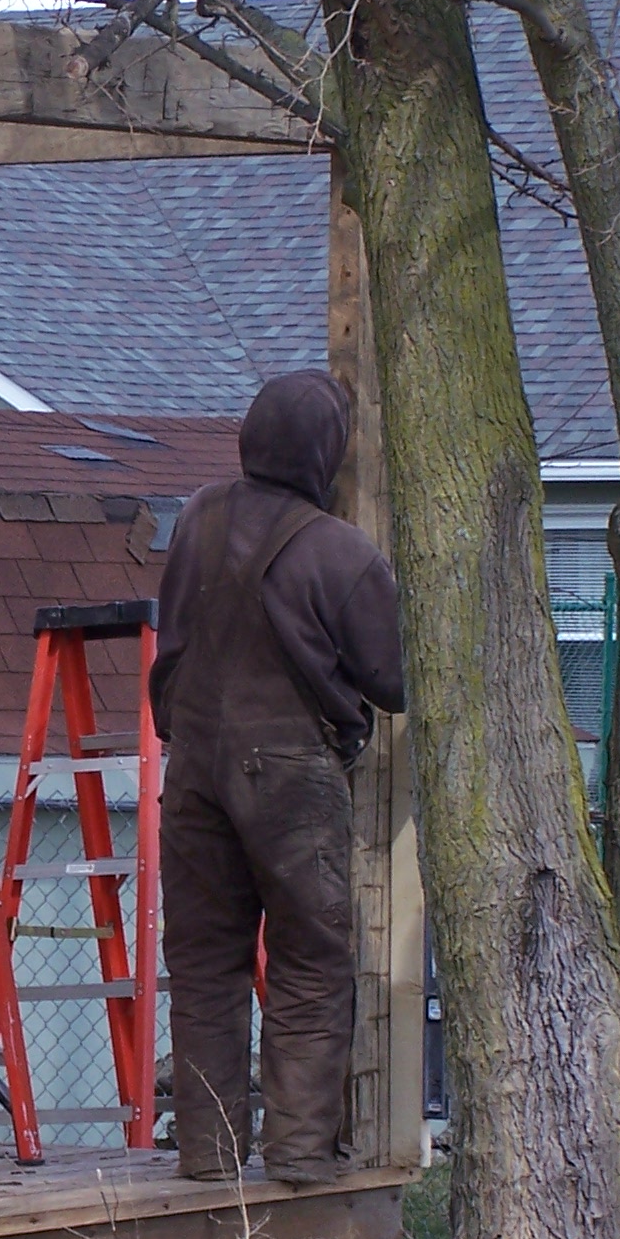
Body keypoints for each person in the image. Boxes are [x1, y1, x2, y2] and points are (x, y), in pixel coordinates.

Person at [152, 372, 406, 1184]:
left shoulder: (198, 515)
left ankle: (209, 1153)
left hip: (193, 768)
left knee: (204, 965)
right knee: (310, 960)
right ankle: (298, 1154)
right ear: (326, 454)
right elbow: (394, 682)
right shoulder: (342, 552)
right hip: (291, 775)